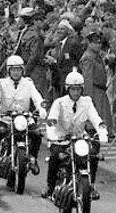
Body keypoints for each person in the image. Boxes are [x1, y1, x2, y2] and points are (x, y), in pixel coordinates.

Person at [43, 71, 109, 200]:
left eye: (78, 89)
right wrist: (52, 135)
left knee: (93, 155)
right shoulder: (59, 103)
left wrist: (102, 134)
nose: (76, 92)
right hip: (61, 139)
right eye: (73, 89)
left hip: (79, 140)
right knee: (55, 157)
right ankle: (50, 186)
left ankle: (91, 185)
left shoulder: (87, 102)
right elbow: (52, 121)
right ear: (68, 89)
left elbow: (96, 119)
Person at [0, 54, 46, 174]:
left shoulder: (28, 83)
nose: (16, 72)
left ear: (22, 70)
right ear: (9, 71)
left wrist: (41, 109)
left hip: (24, 118)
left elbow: (37, 97)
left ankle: (33, 159)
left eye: (18, 69)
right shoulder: (2, 83)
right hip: (6, 118)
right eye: (13, 70)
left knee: (36, 135)